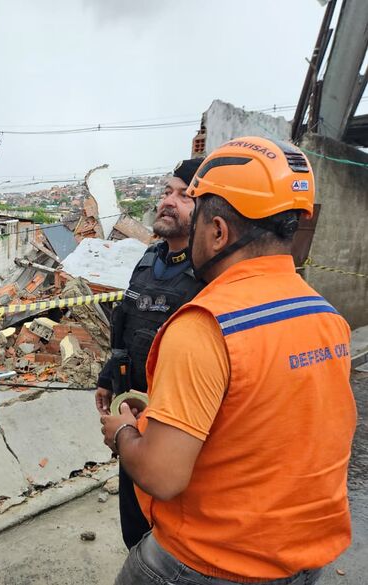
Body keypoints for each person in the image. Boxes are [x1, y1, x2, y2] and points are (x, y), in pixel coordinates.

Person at [101, 136, 356, 585]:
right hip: (301, 559)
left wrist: (121, 431)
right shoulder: (325, 316)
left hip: (208, 562)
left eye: (196, 214)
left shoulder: (205, 326)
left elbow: (162, 474)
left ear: (218, 231)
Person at [95, 158, 204, 549]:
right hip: (132, 416)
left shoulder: (209, 275)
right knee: (134, 528)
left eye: (184, 195)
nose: (168, 202)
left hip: (176, 427)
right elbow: (125, 327)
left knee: (172, 535)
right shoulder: (148, 261)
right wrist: (110, 378)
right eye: (166, 192)